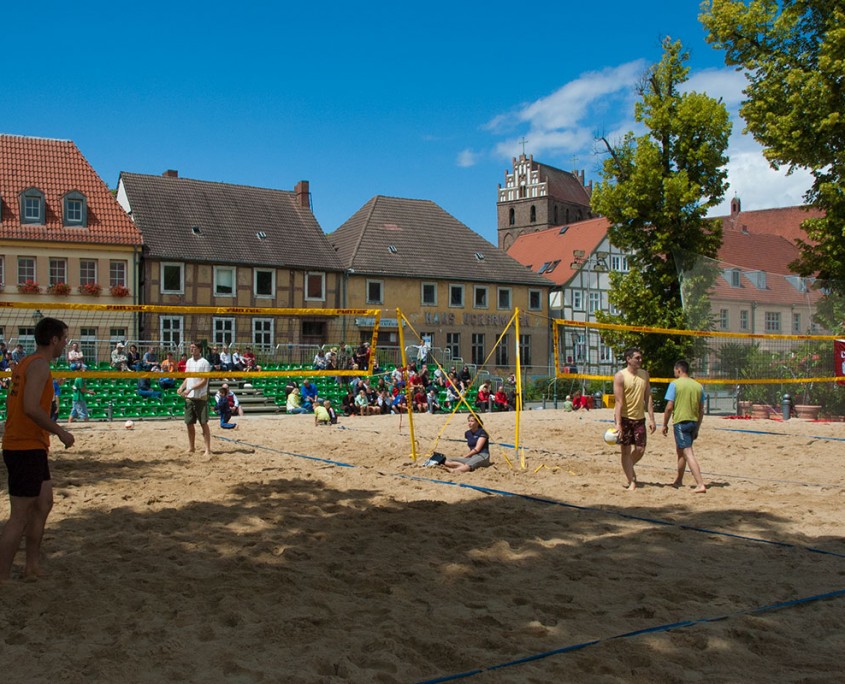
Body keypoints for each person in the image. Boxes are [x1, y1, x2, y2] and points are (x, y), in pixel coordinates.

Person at [0, 317, 75, 582]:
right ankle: (3, 577)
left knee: (44, 503)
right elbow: (30, 408)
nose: (66, 343)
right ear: (53, 340)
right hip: (23, 447)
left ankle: (31, 568)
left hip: (30, 446)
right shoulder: (39, 365)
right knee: (19, 517)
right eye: (64, 338)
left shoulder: (28, 362)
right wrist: (60, 431)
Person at [612, 347, 657, 491]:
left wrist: (652, 419)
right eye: (637, 358)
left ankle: (627, 465)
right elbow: (618, 402)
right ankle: (632, 481)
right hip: (625, 418)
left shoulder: (645, 375)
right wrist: (618, 424)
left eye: (640, 357)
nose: (640, 360)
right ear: (628, 359)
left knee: (640, 449)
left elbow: (648, 397)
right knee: (625, 451)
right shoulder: (620, 376)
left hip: (639, 418)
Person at [662, 360, 707, 493]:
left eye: (675, 371)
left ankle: (700, 484)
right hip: (693, 422)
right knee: (681, 451)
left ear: (679, 370)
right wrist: (697, 427)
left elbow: (669, 407)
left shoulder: (675, 384)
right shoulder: (698, 386)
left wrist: (664, 424)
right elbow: (701, 409)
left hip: (681, 422)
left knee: (688, 452)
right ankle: (679, 480)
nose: (674, 372)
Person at [177, 342, 212, 456]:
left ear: (199, 349)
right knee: (189, 423)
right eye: (190, 348)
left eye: (194, 348)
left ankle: (207, 449)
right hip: (189, 397)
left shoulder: (204, 363)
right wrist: (182, 387)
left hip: (200, 397)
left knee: (203, 423)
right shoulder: (189, 361)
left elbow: (204, 381)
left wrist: (190, 388)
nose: (191, 349)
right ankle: (191, 447)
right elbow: (188, 377)